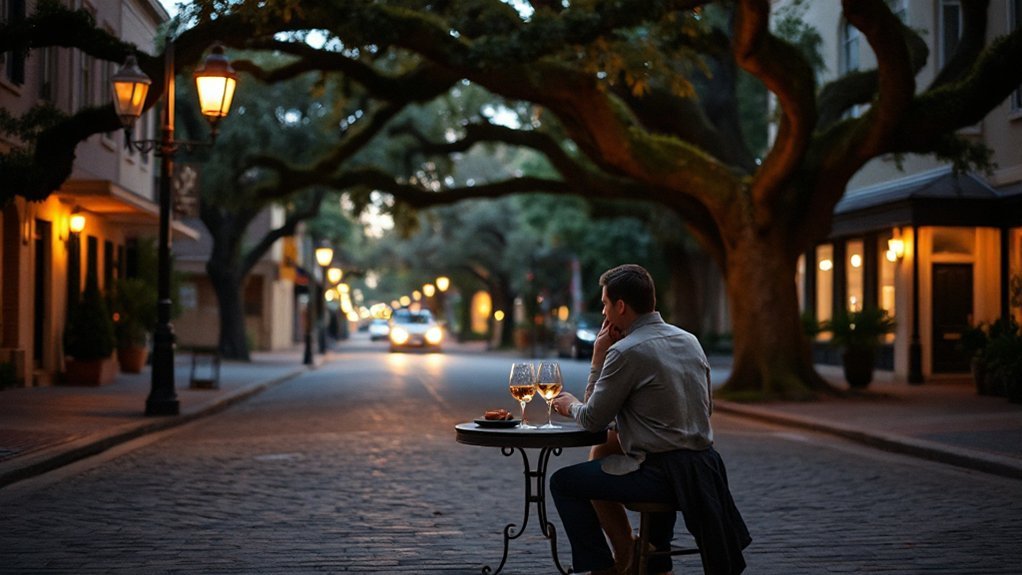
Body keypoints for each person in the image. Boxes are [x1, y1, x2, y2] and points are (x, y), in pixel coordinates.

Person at [551, 264, 750, 575]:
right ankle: (650, 558)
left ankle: (605, 568)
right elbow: (702, 408)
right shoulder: (689, 340)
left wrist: (583, 383)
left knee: (563, 483)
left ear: (620, 306)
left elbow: (592, 419)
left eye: (604, 304)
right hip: (704, 473)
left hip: (663, 476)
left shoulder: (625, 352)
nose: (603, 313)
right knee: (606, 450)